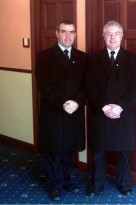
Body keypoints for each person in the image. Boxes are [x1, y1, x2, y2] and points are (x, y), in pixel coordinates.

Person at [85, 20, 136, 197]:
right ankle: (98, 182)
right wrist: (105, 106)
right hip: (100, 112)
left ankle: (123, 183)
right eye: (108, 33)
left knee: (124, 151)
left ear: (122, 36)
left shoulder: (132, 59)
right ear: (103, 36)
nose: (112, 37)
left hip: (123, 113)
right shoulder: (93, 59)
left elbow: (134, 88)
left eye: (116, 33)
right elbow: (90, 87)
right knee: (99, 151)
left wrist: (119, 107)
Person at [35, 20, 88, 201]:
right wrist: (64, 102)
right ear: (57, 33)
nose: (68, 36)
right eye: (64, 31)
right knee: (53, 150)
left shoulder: (83, 57)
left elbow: (86, 86)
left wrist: (77, 102)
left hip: (75, 112)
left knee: (70, 150)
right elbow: (44, 85)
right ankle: (54, 185)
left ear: (75, 34)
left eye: (72, 32)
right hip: (54, 112)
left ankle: (66, 179)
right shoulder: (44, 56)